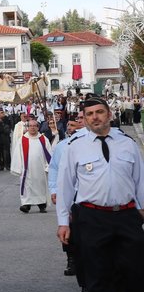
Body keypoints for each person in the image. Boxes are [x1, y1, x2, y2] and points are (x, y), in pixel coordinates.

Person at [57, 95, 144, 292]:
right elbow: (65, 186)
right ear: (84, 118)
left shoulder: (127, 144)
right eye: (90, 113)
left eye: (100, 112)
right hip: (92, 216)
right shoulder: (74, 145)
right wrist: (63, 222)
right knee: (97, 272)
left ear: (109, 114)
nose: (95, 117)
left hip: (127, 214)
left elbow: (140, 180)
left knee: (136, 271)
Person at [49, 112, 85, 279]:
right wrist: (54, 189)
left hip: (88, 196)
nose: (72, 127)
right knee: (70, 229)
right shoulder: (63, 146)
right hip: (70, 196)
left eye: (76, 123)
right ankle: (71, 259)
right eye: (69, 125)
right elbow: (54, 168)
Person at [13, 118, 52, 214]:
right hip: (26, 169)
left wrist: (48, 166)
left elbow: (49, 154)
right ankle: (26, 205)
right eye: (30, 126)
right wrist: (18, 168)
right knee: (27, 186)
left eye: (35, 126)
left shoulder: (43, 139)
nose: (32, 128)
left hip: (40, 169)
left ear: (38, 128)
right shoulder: (22, 139)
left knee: (41, 186)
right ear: (27, 127)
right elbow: (17, 154)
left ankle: (42, 205)